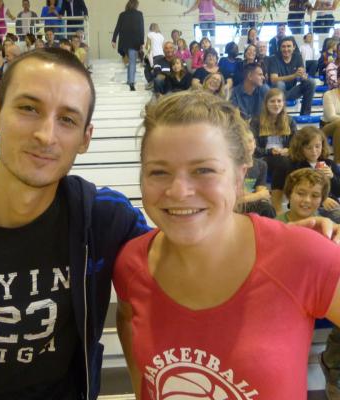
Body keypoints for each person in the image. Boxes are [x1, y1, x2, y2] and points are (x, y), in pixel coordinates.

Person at [0, 47, 149, 400]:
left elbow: (183, 267)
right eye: (28, 108)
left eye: (67, 119)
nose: (46, 135)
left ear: (85, 139)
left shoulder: (104, 218)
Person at [112, 90, 340, 399]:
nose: (179, 191)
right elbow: (129, 329)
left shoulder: (305, 255)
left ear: (239, 177)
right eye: (159, 172)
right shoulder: (131, 263)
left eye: (203, 170)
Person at [250, 88, 297, 213]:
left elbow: (296, 144)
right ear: (266, 104)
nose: (276, 104)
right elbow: (253, 148)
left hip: (285, 157)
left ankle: (291, 201)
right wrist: (270, 151)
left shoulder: (290, 120)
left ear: (283, 103)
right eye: (272, 101)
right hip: (264, 157)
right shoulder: (256, 121)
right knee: (283, 162)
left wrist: (289, 150)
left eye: (279, 101)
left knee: (291, 162)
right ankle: (278, 206)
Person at [289, 126, 340, 223]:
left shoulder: (329, 163)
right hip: (306, 207)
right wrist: (322, 199)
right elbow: (294, 193)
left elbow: (338, 192)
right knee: (315, 221)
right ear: (300, 148)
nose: (314, 151)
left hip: (331, 206)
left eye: (317, 146)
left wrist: (332, 177)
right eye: (309, 148)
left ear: (322, 145)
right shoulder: (296, 167)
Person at [270, 36, 316, 115]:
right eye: (283, 46)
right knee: (279, 84)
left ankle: (305, 114)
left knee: (311, 82)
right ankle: (279, 116)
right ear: (280, 48)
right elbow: (273, 79)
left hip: (292, 91)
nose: (286, 49)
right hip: (278, 93)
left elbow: (302, 74)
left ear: (294, 47)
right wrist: (294, 76)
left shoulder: (297, 57)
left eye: (289, 46)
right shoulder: (274, 58)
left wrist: (303, 76)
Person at [238, 130, 276, 218]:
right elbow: (235, 200)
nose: (247, 146)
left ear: (255, 143)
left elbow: (263, 194)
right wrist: (258, 195)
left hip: (251, 204)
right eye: (243, 143)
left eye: (250, 141)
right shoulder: (232, 165)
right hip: (234, 207)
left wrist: (256, 195)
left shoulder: (261, 165)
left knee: (267, 208)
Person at [112, 0, 144, 92]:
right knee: (132, 61)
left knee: (130, 61)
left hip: (124, 41)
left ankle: (129, 80)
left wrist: (114, 40)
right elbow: (141, 28)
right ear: (136, 5)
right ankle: (131, 82)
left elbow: (117, 27)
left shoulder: (122, 14)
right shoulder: (139, 14)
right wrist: (142, 42)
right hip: (135, 41)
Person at [322, 74, 340, 164]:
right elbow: (331, 116)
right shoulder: (328, 94)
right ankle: (338, 162)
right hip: (327, 126)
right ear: (339, 80)